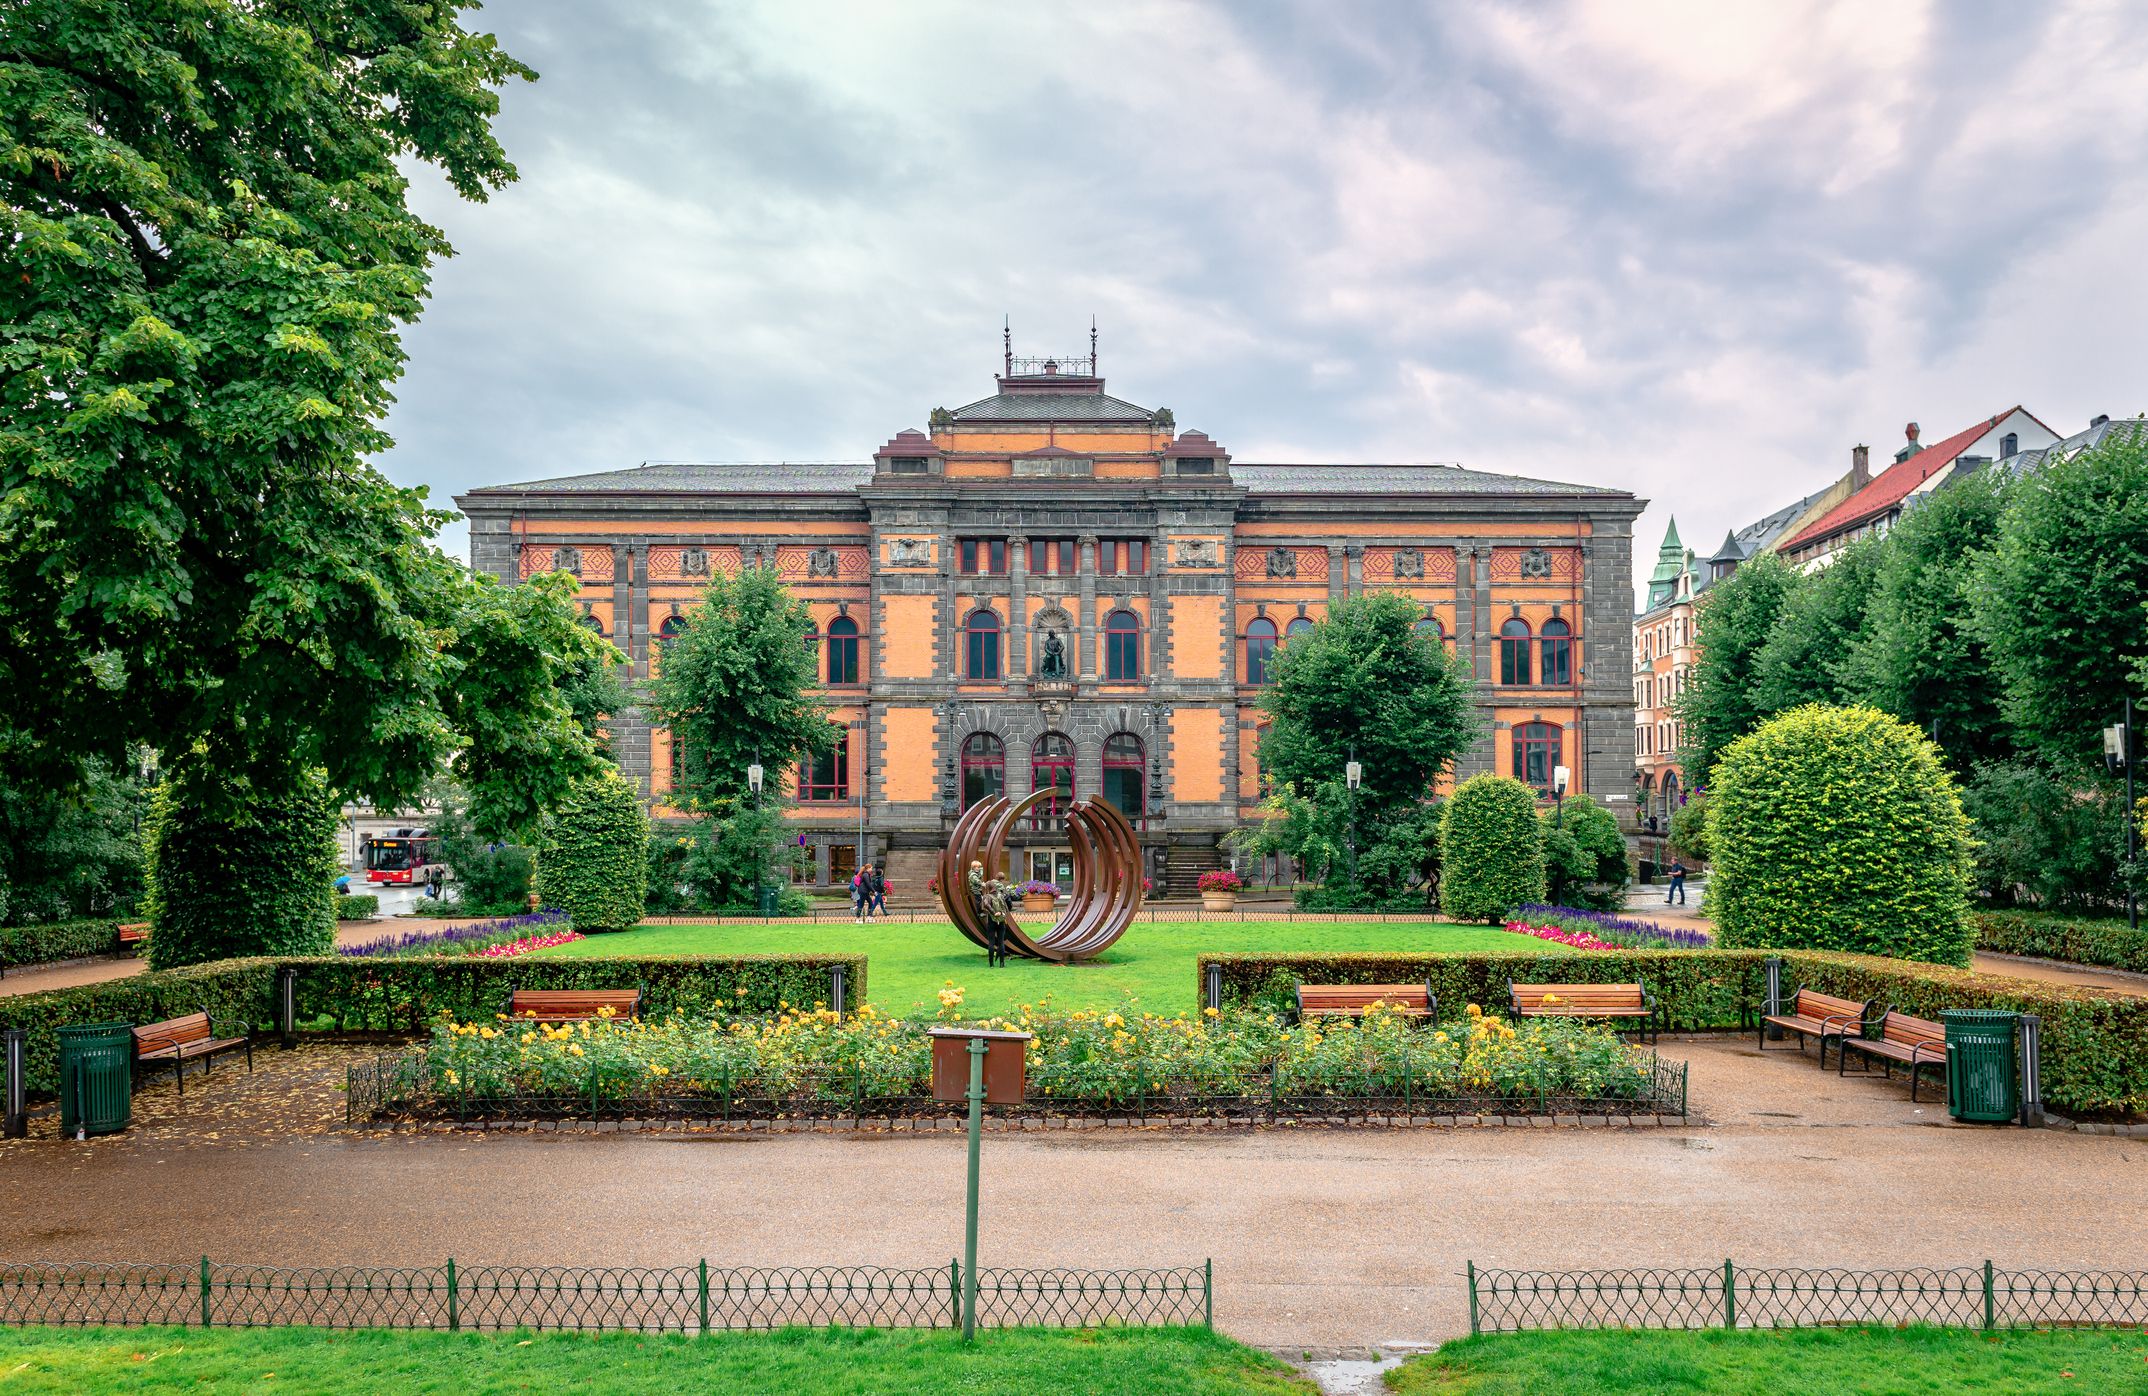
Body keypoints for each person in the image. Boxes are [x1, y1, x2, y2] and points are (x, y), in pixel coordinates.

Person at [967, 858, 1012, 967]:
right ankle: (1002, 964)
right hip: (1001, 920)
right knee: (1001, 942)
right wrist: (1002, 913)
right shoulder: (1000, 895)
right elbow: (1006, 906)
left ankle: (991, 964)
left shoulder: (987, 896)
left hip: (992, 920)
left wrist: (993, 912)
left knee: (991, 942)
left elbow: (986, 905)